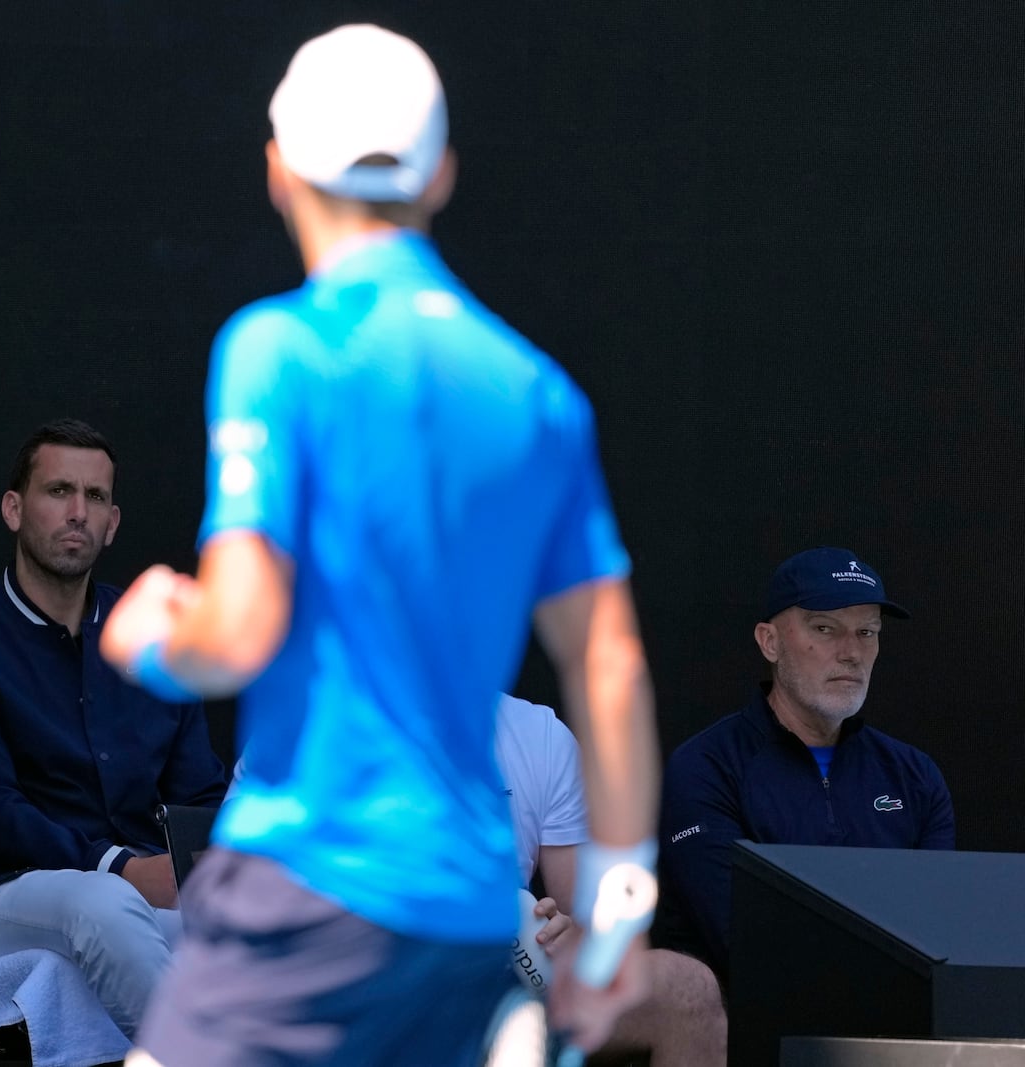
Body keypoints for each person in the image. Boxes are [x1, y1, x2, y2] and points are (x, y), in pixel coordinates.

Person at [100, 24, 662, 1066]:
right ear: (442, 174)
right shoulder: (539, 395)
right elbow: (609, 663)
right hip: (463, 917)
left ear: (277, 170)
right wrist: (621, 904)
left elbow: (237, 631)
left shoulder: (278, 348)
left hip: (303, 887)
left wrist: (149, 635)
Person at [0, 418, 226, 1039]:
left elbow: (197, 796)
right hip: (1, 897)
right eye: (58, 492)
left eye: (95, 497)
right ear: (14, 509)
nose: (77, 512)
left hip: (143, 897)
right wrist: (119, 867)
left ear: (112, 523)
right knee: (102, 902)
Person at [657, 546, 956, 983]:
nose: (852, 653)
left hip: (901, 1026)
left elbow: (940, 933)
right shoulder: (708, 767)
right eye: (825, 628)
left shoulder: (915, 776)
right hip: (748, 1029)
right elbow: (743, 941)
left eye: (867, 633)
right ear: (770, 642)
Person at [497, 695, 726, 1066]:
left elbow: (582, 922)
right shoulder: (369, 720)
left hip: (514, 983)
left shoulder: (539, 734)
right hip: (397, 977)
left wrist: (567, 935)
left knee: (688, 988)